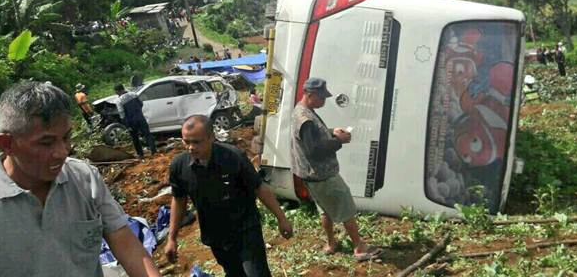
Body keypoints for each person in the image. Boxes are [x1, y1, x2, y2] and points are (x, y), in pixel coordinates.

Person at [0, 82, 162, 277]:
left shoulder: (84, 178)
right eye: (46, 143)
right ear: (6, 144)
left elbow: (126, 244)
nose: (62, 152)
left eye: (66, 138)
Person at [165, 115, 293, 276]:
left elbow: (259, 188)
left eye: (196, 142)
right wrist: (172, 238)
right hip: (215, 234)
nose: (190, 147)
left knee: (256, 273)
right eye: (186, 141)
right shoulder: (179, 166)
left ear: (211, 137)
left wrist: (281, 218)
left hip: (245, 228)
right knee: (234, 273)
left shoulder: (232, 157)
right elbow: (178, 200)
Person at [291, 77, 382, 261]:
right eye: (322, 97)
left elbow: (314, 137)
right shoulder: (306, 119)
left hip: (310, 175)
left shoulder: (301, 111)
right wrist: (338, 141)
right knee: (345, 206)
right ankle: (359, 247)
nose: (324, 101)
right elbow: (314, 150)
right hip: (322, 174)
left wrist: (331, 131)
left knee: (324, 209)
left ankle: (331, 243)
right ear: (310, 95)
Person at [114, 84, 157, 158]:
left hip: (131, 122)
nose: (116, 93)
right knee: (147, 134)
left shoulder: (119, 101)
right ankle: (154, 151)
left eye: (116, 91)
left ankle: (140, 154)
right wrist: (138, 112)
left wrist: (127, 125)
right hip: (140, 118)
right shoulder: (133, 94)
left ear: (118, 91)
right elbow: (141, 104)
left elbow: (122, 114)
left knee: (135, 137)